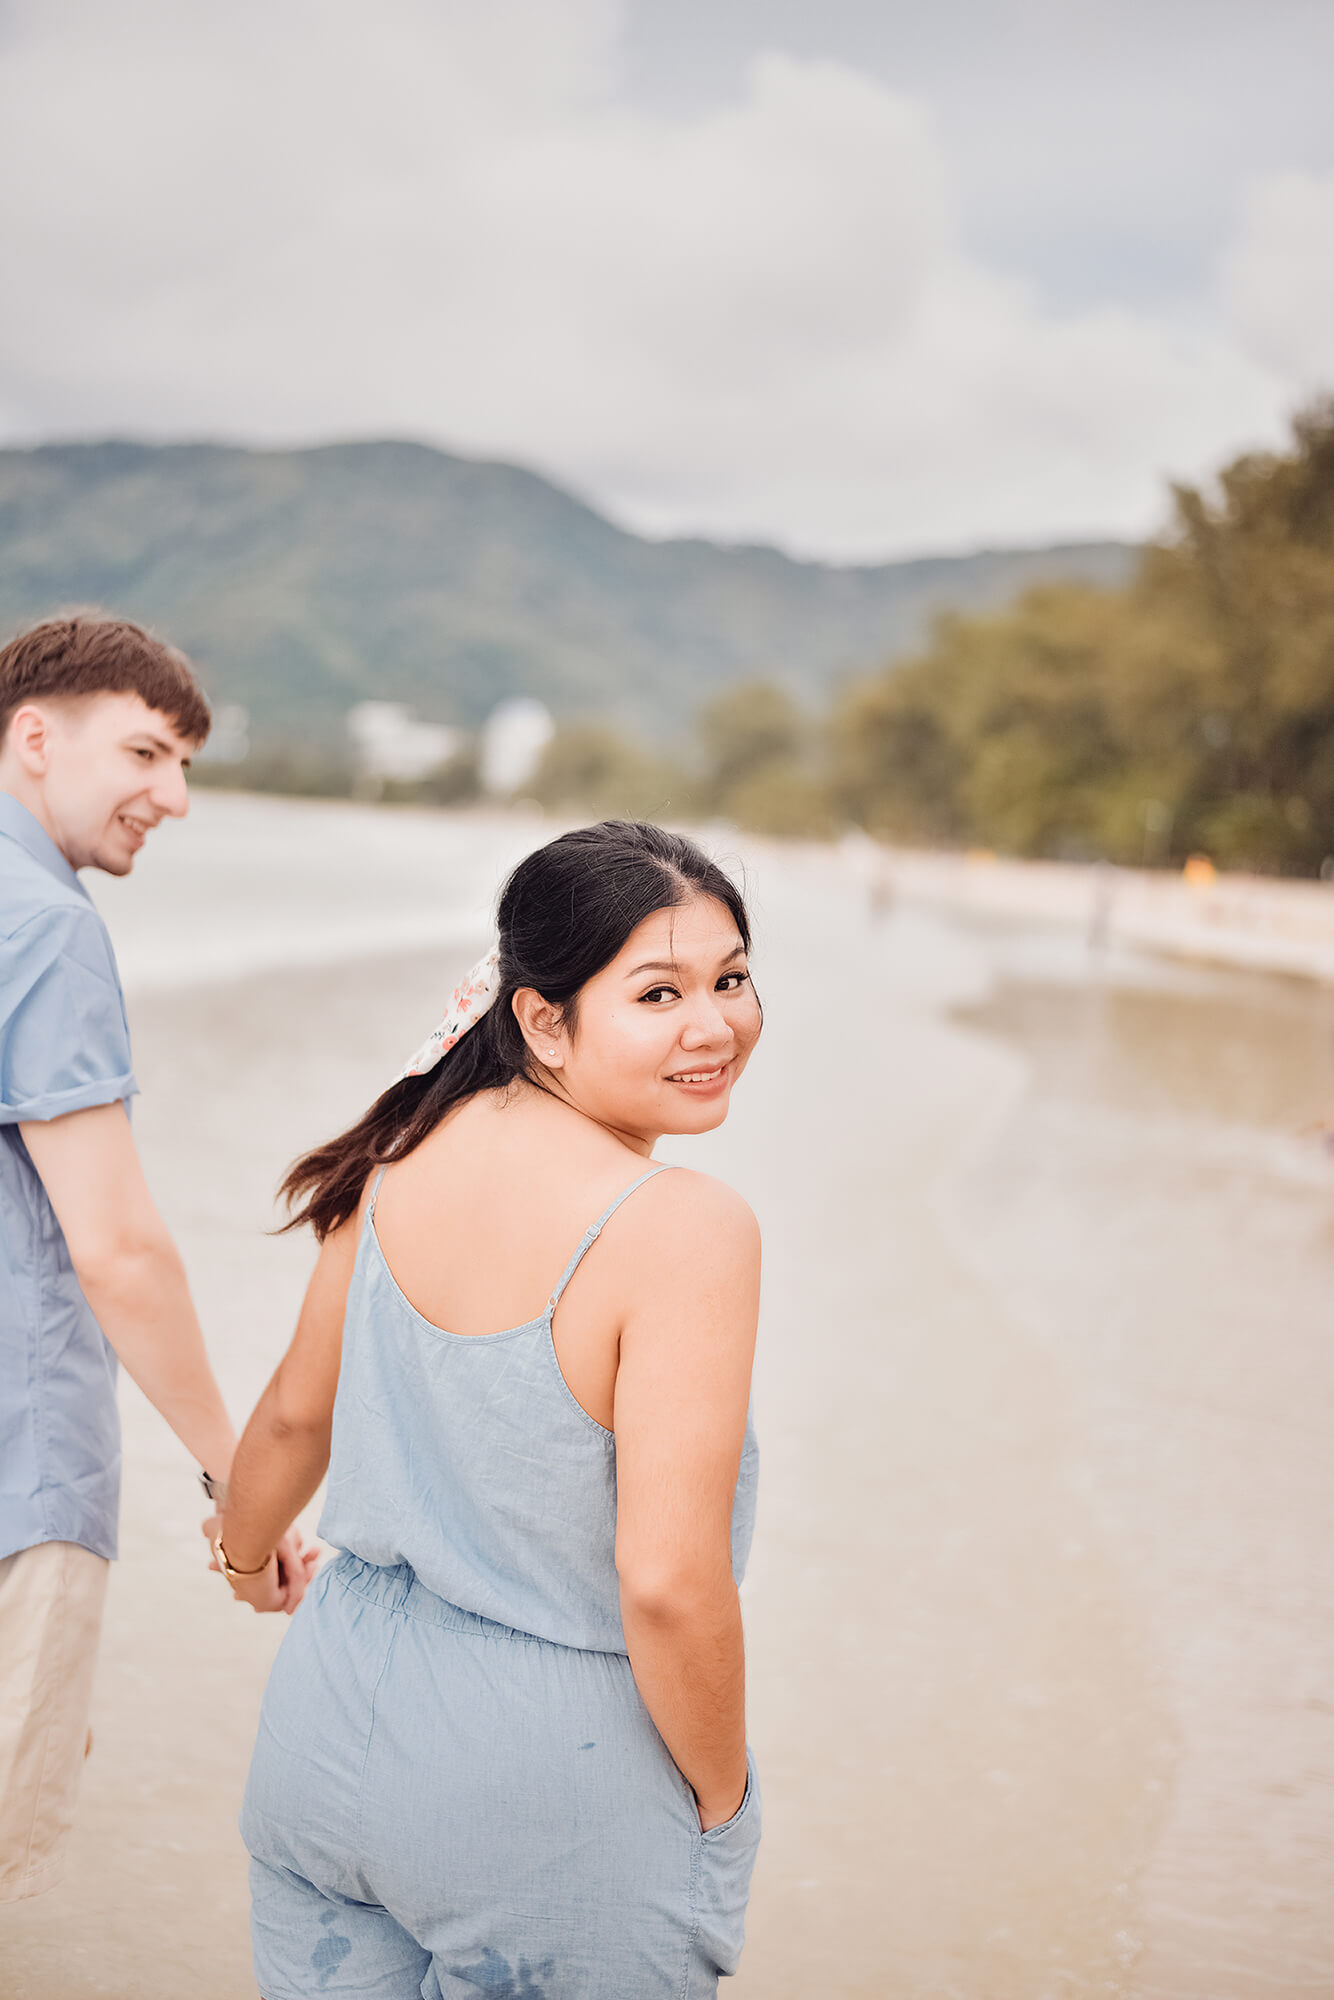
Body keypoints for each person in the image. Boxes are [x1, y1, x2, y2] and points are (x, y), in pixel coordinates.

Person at [213, 820, 765, 1998]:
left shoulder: (403, 1149)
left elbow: (288, 1421)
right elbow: (666, 1581)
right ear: (541, 1019)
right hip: (547, 1780)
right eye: (657, 990)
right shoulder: (682, 1225)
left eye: (730, 978)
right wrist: (719, 1804)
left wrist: (244, 1552)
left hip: (325, 1725)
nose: (713, 1023)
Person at [0, 613, 311, 1904]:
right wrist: (244, 1482)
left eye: (184, 762)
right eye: (144, 752)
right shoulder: (46, 927)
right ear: (30, 737)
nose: (173, 797)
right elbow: (119, 1247)